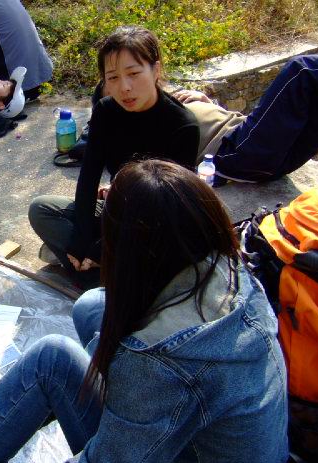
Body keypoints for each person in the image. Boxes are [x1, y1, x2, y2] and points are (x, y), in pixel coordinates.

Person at [0, 159, 288, 463]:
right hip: (222, 458)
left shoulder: (158, 362)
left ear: (133, 249)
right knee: (93, 306)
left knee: (51, 358)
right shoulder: (234, 270)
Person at [29, 26, 200, 287]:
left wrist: (100, 247)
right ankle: (104, 276)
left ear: (155, 70)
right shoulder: (106, 110)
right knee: (41, 209)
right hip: (117, 210)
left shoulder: (182, 126)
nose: (124, 87)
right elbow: (89, 177)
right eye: (113, 77)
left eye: (133, 74)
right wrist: (82, 238)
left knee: (166, 252)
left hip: (155, 224)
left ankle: (97, 275)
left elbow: (168, 208)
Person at [171, 54, 318, 184]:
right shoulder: (157, 122)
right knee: (303, 69)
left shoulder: (166, 100)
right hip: (233, 152)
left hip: (258, 146)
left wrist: (210, 104)